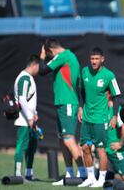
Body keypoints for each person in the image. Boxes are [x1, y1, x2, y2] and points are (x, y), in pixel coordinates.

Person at [38, 39, 86, 185]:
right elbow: (78, 84)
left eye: (48, 55)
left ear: (51, 51)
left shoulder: (62, 56)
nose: (48, 58)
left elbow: (42, 70)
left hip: (67, 103)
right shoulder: (71, 57)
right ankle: (70, 174)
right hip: (63, 103)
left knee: (69, 139)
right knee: (62, 140)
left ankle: (84, 173)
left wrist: (41, 56)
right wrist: (80, 105)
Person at [77, 47, 121, 187]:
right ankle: (90, 177)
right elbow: (81, 90)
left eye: (96, 59)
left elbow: (116, 96)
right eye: (92, 59)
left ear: (102, 59)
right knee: (84, 147)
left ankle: (101, 179)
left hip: (101, 119)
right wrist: (80, 107)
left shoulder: (109, 75)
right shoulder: (84, 71)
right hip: (86, 117)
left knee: (101, 149)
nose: (94, 61)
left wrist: (114, 116)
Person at [13, 55, 40, 180]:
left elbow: (29, 101)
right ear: (34, 65)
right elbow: (23, 99)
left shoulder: (28, 77)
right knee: (21, 146)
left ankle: (29, 174)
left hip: (29, 119)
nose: (39, 70)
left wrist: (34, 114)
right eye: (38, 66)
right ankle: (18, 175)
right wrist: (29, 117)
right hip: (23, 120)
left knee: (31, 146)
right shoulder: (24, 78)